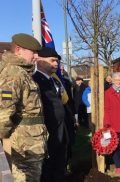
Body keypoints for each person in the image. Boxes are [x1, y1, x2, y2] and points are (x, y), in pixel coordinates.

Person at [0, 33, 48, 182]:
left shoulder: (22, 73)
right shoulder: (13, 73)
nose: (36, 56)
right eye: (32, 52)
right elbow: (4, 111)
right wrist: (5, 139)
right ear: (19, 50)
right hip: (24, 145)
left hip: (31, 142)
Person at [33, 47, 70, 182]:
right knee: (48, 170)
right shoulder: (35, 81)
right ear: (39, 60)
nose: (56, 64)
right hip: (48, 133)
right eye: (52, 60)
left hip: (60, 131)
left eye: (57, 61)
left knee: (59, 167)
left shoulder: (53, 81)